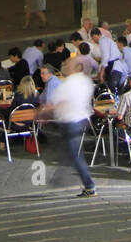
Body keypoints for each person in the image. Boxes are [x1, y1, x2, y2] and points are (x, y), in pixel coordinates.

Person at [39, 57, 96, 197]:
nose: (63, 66)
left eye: (66, 64)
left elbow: (57, 104)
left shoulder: (68, 84)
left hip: (71, 122)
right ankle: (62, 177)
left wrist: (40, 113)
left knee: (75, 155)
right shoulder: (85, 81)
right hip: (81, 120)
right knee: (72, 152)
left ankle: (88, 185)